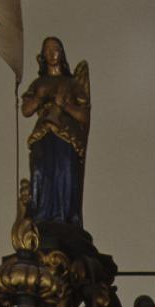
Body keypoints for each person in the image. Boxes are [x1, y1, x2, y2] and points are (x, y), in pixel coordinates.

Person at [21, 37, 91, 228]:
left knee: (65, 170)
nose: (52, 53)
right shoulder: (39, 83)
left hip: (66, 136)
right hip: (43, 134)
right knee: (41, 171)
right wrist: (40, 98)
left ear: (62, 53)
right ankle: (41, 215)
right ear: (43, 55)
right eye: (48, 49)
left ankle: (65, 217)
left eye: (56, 48)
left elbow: (84, 116)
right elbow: (26, 110)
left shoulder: (72, 84)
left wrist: (64, 106)